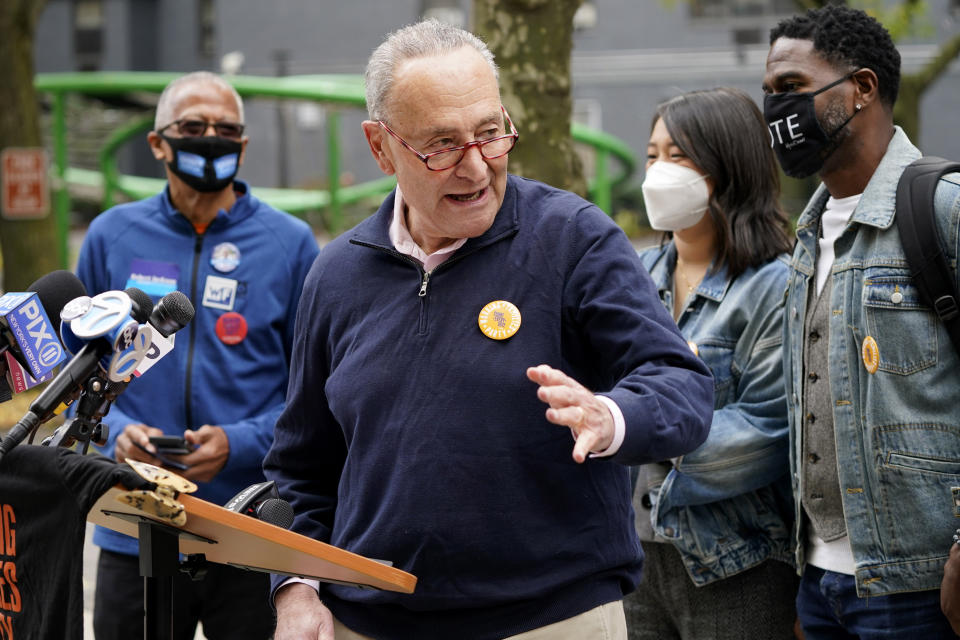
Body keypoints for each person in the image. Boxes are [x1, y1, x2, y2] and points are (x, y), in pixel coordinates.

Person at [264, 19, 715, 640]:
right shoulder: (335, 274)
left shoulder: (573, 238)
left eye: (490, 134)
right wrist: (295, 589)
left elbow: (681, 387)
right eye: (442, 145)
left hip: (551, 620)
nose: (476, 167)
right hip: (367, 622)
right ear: (380, 147)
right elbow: (301, 467)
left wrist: (609, 417)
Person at [76, 71, 319, 640]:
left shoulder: (292, 243)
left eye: (225, 129)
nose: (210, 138)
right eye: (192, 127)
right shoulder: (111, 235)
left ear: (243, 145)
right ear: (158, 142)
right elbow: (74, 381)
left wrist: (240, 443)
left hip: (250, 525)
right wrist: (119, 436)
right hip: (133, 523)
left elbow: (311, 395)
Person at [762, 5, 960, 637]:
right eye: (769, 93)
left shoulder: (942, 209)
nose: (776, 111)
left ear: (863, 88)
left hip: (923, 583)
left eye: (792, 88)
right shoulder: (806, 237)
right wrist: (807, 581)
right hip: (821, 588)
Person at [623, 88, 798, 640]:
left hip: (739, 562)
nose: (658, 172)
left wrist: (635, 429)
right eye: (653, 155)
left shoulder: (776, 284)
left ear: (730, 165)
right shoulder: (632, 273)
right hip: (635, 556)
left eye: (679, 156)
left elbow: (770, 428)